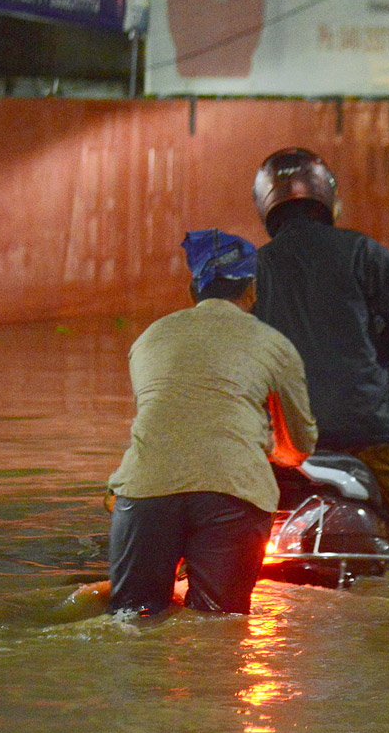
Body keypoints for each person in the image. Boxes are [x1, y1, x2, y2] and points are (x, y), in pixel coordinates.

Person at [250, 147, 389, 563]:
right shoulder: (359, 252)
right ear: (325, 197)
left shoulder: (255, 268)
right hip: (363, 427)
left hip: (281, 438)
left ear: (266, 205)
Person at [106, 228, 317, 616]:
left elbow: (162, 415)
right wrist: (276, 454)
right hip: (234, 495)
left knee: (130, 622)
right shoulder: (274, 344)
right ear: (251, 290)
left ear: (193, 290)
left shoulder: (149, 338)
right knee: (218, 629)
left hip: (143, 492)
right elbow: (300, 443)